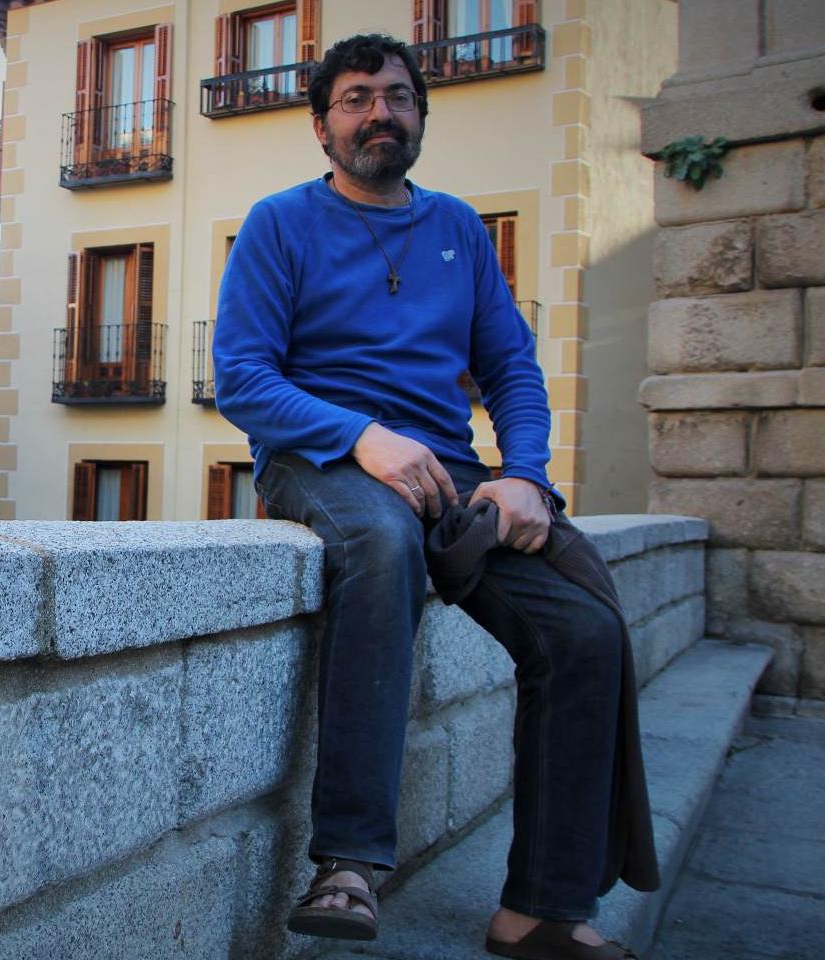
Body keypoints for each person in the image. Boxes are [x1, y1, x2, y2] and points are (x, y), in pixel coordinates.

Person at [213, 33, 655, 960]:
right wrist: (361, 435)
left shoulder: (457, 229)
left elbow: (513, 372)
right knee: (382, 544)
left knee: (585, 631)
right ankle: (347, 864)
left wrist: (524, 475)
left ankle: (542, 905)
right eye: (356, 97)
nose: (380, 111)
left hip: (448, 476)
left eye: (399, 96)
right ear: (322, 125)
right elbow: (244, 379)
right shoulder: (278, 223)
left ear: (420, 114)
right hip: (322, 459)